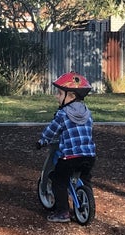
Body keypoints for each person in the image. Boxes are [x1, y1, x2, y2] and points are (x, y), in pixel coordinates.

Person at [36, 72, 97, 223]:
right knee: (84, 177)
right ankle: (85, 196)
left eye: (60, 93)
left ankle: (62, 212)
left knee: (58, 180)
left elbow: (52, 130)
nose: (57, 96)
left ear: (71, 96)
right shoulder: (87, 113)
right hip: (89, 155)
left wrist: (42, 141)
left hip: (70, 156)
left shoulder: (63, 114)